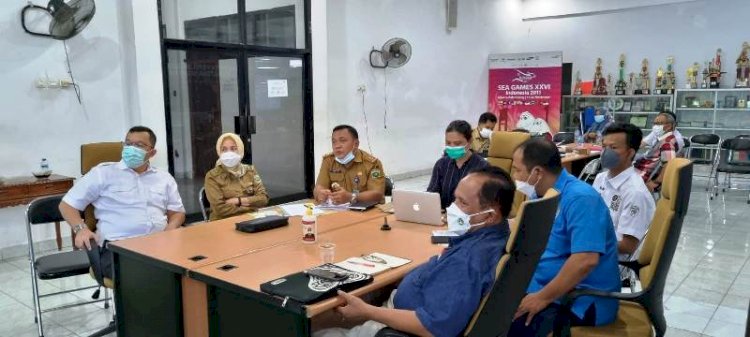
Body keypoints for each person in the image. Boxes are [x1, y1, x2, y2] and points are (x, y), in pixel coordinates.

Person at [314, 166, 515, 337]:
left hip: (397, 324)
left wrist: (367, 311)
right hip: (408, 302)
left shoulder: (466, 261)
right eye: (455, 199)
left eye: (463, 203)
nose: (453, 208)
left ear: (489, 215)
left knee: (316, 329)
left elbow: (431, 327)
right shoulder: (493, 234)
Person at [508, 138, 620, 336]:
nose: (514, 175)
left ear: (537, 172)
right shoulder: (542, 193)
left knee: (508, 325)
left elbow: (585, 260)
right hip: (544, 285)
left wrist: (541, 298)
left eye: (517, 170)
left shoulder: (580, 199)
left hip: (577, 299)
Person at [58, 126, 185, 277]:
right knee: (151, 277)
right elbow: (66, 205)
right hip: (118, 249)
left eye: (138, 145)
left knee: (194, 270)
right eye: (128, 144)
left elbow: (177, 211)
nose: (131, 148)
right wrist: (81, 229)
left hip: (159, 244)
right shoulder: (103, 173)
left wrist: (171, 228)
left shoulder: (164, 178)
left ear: (152, 152)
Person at [593, 123, 655, 263]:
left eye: (613, 148)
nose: (605, 152)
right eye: (604, 147)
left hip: (611, 260)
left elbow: (627, 246)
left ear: (630, 152)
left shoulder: (635, 192)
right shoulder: (600, 178)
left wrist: (585, 244)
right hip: (595, 244)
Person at [314, 125, 385, 205]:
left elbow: (377, 194)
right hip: (337, 211)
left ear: (356, 144)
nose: (337, 146)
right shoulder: (328, 161)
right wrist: (321, 193)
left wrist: (351, 197)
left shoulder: (372, 164)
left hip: (367, 211)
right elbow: (319, 187)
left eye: (342, 141)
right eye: (334, 142)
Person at [204, 133, 269, 220]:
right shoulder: (212, 176)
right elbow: (220, 209)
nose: (229, 153)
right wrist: (251, 206)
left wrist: (237, 201)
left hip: (250, 219)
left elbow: (263, 199)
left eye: (233, 149)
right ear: (219, 152)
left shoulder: (250, 170)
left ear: (240, 150)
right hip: (222, 222)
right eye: (224, 149)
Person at [428, 120, 489, 209]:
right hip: (442, 217)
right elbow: (431, 194)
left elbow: (483, 203)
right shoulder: (441, 164)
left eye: (457, 143)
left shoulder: (482, 167)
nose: (452, 147)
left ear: (469, 142)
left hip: (467, 219)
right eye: (448, 143)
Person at [634, 112, 679, 191]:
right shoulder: (663, 138)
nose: (655, 126)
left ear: (669, 126)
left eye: (659, 124)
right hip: (641, 168)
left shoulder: (667, 143)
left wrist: (656, 182)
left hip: (643, 175)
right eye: (654, 123)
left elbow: (669, 166)